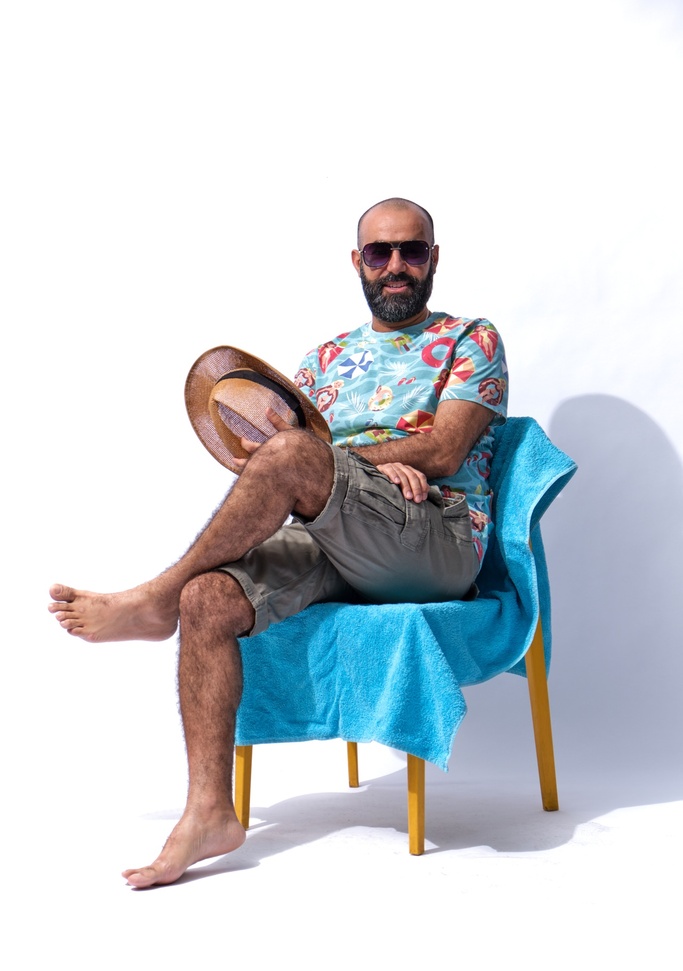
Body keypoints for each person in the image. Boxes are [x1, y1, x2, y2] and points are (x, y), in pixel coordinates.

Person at [48, 197, 508, 887]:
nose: (395, 266)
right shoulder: (323, 361)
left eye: (411, 251)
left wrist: (340, 464)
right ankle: (209, 811)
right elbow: (274, 466)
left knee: (294, 456)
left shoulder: (471, 337)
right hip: (335, 533)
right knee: (208, 600)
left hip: (433, 537)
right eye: (379, 252)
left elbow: (441, 451)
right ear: (357, 262)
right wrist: (348, 469)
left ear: (433, 259)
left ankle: (154, 599)